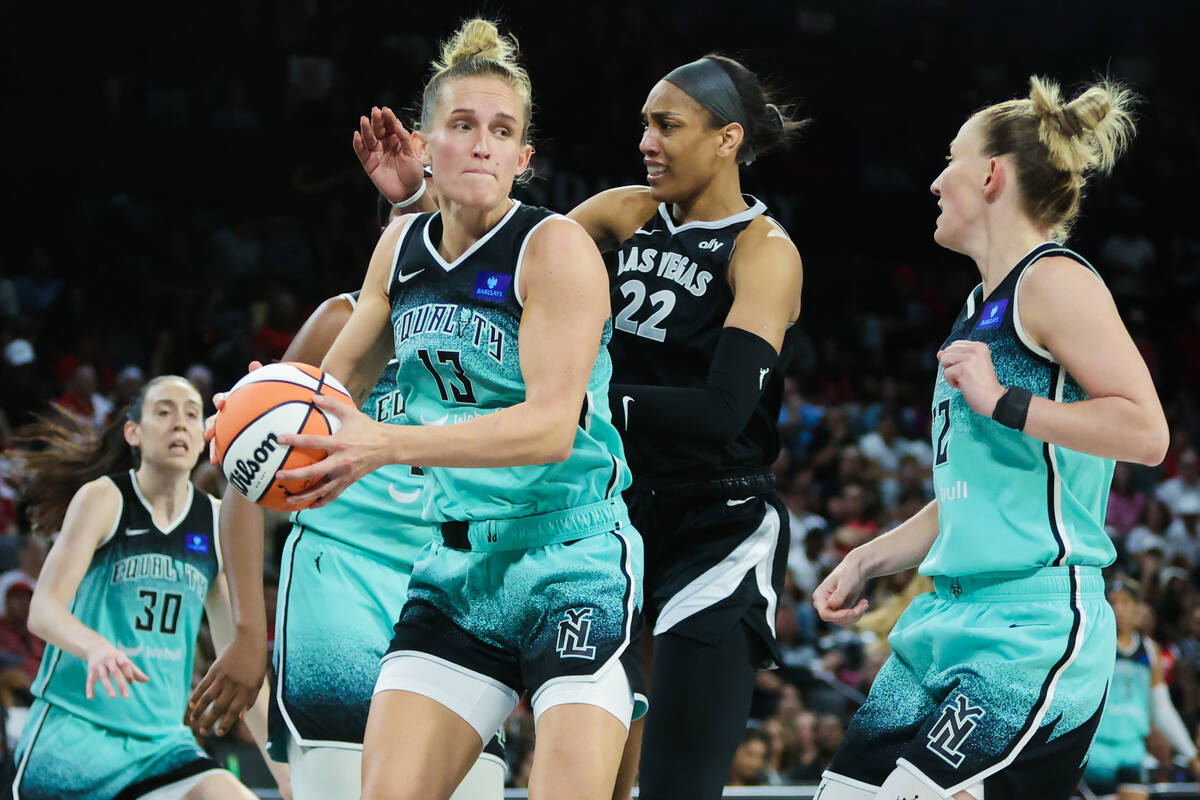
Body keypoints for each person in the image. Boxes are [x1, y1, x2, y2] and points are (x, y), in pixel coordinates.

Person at [214, 19, 642, 800]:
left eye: (502, 131)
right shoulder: (400, 251)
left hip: (570, 555)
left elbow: (550, 428)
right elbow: (326, 400)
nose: (482, 144)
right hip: (457, 566)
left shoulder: (553, 250)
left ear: (524, 158)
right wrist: (255, 414)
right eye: (464, 125)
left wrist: (387, 439)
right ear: (429, 143)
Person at [363, 51, 807, 800]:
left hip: (716, 521)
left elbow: (721, 413)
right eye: (644, 124)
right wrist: (421, 197)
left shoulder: (765, 252)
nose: (646, 141)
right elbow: (494, 272)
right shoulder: (617, 213)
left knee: (675, 785)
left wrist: (574, 399)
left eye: (667, 125)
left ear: (727, 139)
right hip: (613, 512)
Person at [813, 76, 1167, 800]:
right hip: (944, 618)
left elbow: (1145, 429)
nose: (937, 180)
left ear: (992, 173)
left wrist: (1004, 401)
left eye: (952, 159)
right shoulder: (978, 309)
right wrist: (867, 557)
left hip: (1029, 626)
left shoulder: (1054, 280)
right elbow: (977, 496)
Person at [190, 291, 505, 800]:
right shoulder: (343, 320)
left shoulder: (499, 322)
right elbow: (245, 489)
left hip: (450, 593)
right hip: (339, 579)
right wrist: (248, 635)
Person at [10, 376, 288, 799]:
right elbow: (43, 610)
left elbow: (243, 667)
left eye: (192, 414)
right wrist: (95, 647)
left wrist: (284, 775)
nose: (180, 423)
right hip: (74, 737)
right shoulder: (104, 499)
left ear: (203, 437)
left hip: (161, 745)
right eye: (164, 411)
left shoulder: (216, 522)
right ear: (133, 432)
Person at [1084, 580, 1200, 799]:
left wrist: (1191, 754)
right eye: (1113, 603)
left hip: (1133, 749)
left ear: (1138, 608)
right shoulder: (1094, 646)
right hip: (1098, 749)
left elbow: (1162, 708)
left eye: (1125, 602)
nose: (1118, 609)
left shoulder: (1149, 650)